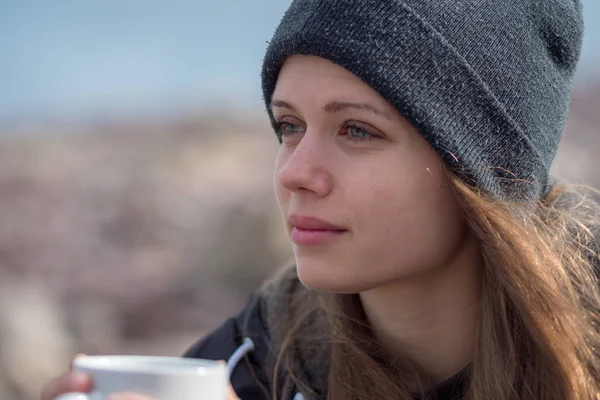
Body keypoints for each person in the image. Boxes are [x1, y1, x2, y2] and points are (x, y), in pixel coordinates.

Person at [42, 0, 600, 399]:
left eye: (357, 130)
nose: (295, 173)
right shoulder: (255, 363)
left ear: (485, 170)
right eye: (289, 125)